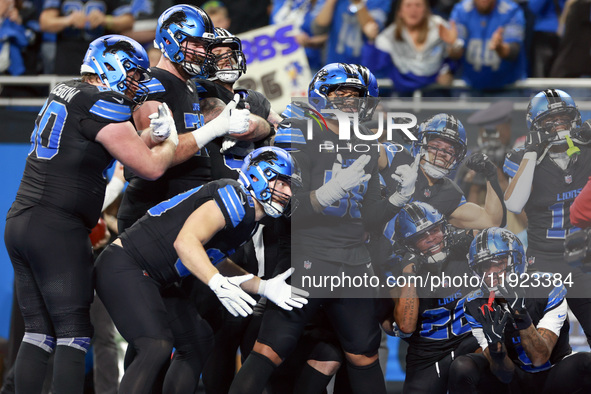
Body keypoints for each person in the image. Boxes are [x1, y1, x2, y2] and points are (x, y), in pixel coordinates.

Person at [228, 62, 418, 394]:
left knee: (363, 354)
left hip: (352, 261)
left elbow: (369, 217)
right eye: (339, 93)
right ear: (321, 93)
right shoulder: (298, 128)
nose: (348, 101)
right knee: (270, 349)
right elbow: (283, 206)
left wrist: (399, 198)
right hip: (306, 254)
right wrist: (330, 191)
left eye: (355, 96)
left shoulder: (364, 140)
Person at [3, 34, 178, 393]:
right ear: (110, 67)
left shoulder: (66, 90)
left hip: (22, 220)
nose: (135, 84)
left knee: (37, 333)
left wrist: (146, 136)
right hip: (57, 227)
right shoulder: (105, 103)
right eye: (132, 75)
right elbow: (151, 168)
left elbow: (108, 147)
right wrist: (171, 140)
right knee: (73, 335)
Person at [94, 146, 307, 394]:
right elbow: (185, 242)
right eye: (282, 182)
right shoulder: (236, 197)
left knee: (198, 340)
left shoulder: (248, 218)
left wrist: (263, 286)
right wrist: (215, 282)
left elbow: (213, 259)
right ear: (260, 175)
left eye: (290, 185)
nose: (288, 192)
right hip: (126, 264)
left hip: (152, 276)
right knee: (156, 345)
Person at [117, 4, 251, 232]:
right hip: (152, 211)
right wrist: (216, 127)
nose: (202, 52)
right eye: (195, 44)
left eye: (205, 46)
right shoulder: (151, 84)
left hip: (181, 207)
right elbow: (150, 159)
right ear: (170, 40)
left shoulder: (189, 85)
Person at [448, 227, 591, 393]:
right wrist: (496, 348)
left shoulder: (547, 287)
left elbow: (539, 359)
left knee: (587, 364)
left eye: (499, 263)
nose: (492, 272)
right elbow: (504, 374)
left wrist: (521, 315)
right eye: (484, 267)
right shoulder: (475, 304)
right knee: (462, 367)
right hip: (513, 380)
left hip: (554, 375)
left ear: (516, 260)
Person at [503, 89, 591, 345]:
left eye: (564, 119)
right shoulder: (521, 156)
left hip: (585, 259)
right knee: (545, 345)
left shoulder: (586, 147)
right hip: (544, 260)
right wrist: (531, 152)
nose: (559, 127)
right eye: (550, 122)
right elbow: (514, 203)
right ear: (535, 127)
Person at [382, 201, 479, 394]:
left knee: (476, 367)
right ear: (408, 245)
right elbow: (406, 326)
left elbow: (493, 223)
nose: (432, 239)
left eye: (435, 230)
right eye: (421, 237)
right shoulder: (397, 273)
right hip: (427, 353)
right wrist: (408, 274)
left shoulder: (467, 251)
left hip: (471, 342)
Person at [380, 113, 505, 230]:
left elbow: (492, 221)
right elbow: (364, 147)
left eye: (450, 151)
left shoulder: (449, 193)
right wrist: (385, 123)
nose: (442, 154)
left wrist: (491, 174)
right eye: (435, 146)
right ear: (421, 144)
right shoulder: (395, 155)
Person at [368, 0, 455, 94]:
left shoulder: (441, 28)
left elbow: (454, 58)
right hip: (402, 96)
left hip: (436, 96)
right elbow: (375, 70)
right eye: (408, 5)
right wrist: (371, 40)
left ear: (426, 9)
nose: (413, 10)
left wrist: (448, 69)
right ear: (399, 11)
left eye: (418, 5)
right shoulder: (388, 37)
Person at [448, 0, 527, 91]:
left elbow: (514, 50)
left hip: (507, 87)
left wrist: (500, 47)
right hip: (471, 86)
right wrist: (454, 45)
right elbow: (456, 51)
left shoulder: (511, 11)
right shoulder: (461, 10)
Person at [39, 0, 134, 75]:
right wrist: (68, 20)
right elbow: (45, 22)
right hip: (68, 57)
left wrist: (105, 20)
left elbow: (128, 21)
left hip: (102, 56)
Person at [312, 0, 391, 65]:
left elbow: (372, 30)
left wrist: (358, 3)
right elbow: (319, 26)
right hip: (334, 65)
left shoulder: (381, 1)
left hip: (364, 69)